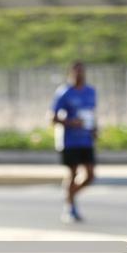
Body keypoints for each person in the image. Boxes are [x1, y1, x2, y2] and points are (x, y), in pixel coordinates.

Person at [52, 61, 97, 223]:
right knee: (73, 173)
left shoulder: (91, 92)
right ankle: (70, 206)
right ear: (71, 73)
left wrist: (94, 129)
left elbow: (91, 113)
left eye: (81, 71)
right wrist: (72, 122)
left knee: (90, 175)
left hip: (86, 140)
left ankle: (69, 196)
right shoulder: (64, 92)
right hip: (70, 140)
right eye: (76, 72)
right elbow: (53, 117)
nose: (79, 75)